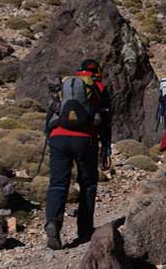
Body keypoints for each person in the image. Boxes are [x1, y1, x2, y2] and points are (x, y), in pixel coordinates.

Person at [43, 59, 112, 250]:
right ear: (97, 71)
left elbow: (50, 114)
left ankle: (53, 223)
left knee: (57, 183)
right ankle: (84, 230)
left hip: (59, 138)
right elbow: (106, 120)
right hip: (85, 140)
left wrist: (49, 136)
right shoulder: (98, 86)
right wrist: (106, 147)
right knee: (88, 184)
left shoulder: (66, 84)